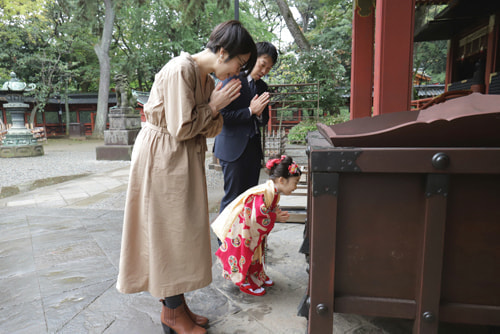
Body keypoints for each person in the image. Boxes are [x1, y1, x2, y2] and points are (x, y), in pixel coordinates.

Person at [116, 20, 257, 334]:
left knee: (180, 233)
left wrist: (214, 108)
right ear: (222, 52)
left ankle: (177, 306)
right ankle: (172, 312)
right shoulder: (181, 68)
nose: (239, 72)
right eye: (239, 63)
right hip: (163, 157)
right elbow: (183, 128)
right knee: (170, 234)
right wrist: (216, 105)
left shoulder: (203, 77)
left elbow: (208, 126)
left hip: (178, 156)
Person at [211, 155, 302, 296]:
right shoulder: (263, 193)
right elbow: (257, 217)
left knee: (256, 252)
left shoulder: (273, 191)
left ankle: (257, 277)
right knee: (246, 254)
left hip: (250, 229)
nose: (295, 187)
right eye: (295, 182)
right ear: (282, 180)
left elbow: (263, 212)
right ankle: (244, 282)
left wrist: (274, 213)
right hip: (243, 229)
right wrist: (274, 216)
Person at [214, 42, 279, 214]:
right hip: (232, 149)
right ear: (252, 58)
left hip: (253, 150)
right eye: (262, 64)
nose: (264, 71)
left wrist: (258, 114)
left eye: (269, 68)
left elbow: (264, 119)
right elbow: (221, 116)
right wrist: (250, 111)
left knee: (249, 198)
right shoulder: (232, 79)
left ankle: (244, 240)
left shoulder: (262, 87)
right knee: (233, 198)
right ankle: (225, 241)